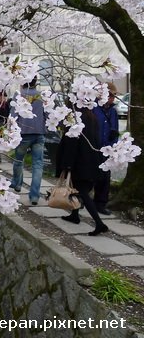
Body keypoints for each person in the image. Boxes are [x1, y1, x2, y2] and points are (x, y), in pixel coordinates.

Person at [56, 107, 108, 236]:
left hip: (80, 162)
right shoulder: (92, 118)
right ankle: (74, 215)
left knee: (82, 192)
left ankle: (99, 223)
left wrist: (67, 164)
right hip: (92, 160)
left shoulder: (75, 119)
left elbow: (71, 143)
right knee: (78, 190)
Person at [10, 78, 46, 205]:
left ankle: (17, 183)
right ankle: (34, 195)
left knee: (18, 160)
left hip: (23, 133)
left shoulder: (19, 94)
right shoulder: (40, 95)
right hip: (39, 133)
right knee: (37, 165)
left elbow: (13, 115)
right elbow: (46, 114)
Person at [92, 83, 120, 215]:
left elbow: (115, 129)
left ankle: (100, 203)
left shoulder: (113, 111)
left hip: (107, 147)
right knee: (89, 175)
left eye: (113, 96)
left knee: (105, 177)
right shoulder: (94, 108)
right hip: (93, 147)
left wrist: (114, 143)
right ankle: (82, 200)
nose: (112, 98)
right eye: (109, 96)